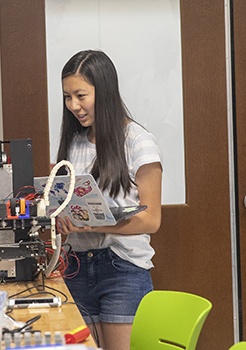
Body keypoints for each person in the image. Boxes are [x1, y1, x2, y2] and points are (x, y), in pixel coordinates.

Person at [55, 50, 163, 350]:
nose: (73, 106)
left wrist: (95, 226)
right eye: (67, 97)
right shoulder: (74, 144)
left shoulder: (138, 141)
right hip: (76, 265)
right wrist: (61, 222)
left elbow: (152, 219)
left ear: (104, 91)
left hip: (122, 268)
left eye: (80, 95)